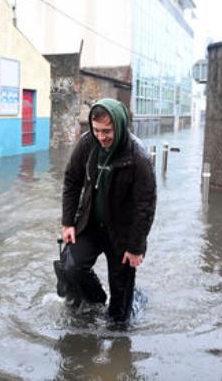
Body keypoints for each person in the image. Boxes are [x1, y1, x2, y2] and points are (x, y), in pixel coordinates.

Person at [61, 98, 156, 323]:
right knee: (71, 267)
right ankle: (96, 299)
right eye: (96, 130)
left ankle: (122, 321)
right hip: (90, 224)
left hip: (122, 233)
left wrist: (136, 247)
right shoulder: (87, 144)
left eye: (107, 131)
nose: (101, 137)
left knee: (119, 314)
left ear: (120, 126)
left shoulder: (138, 156)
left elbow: (145, 205)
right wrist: (68, 223)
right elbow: (72, 181)